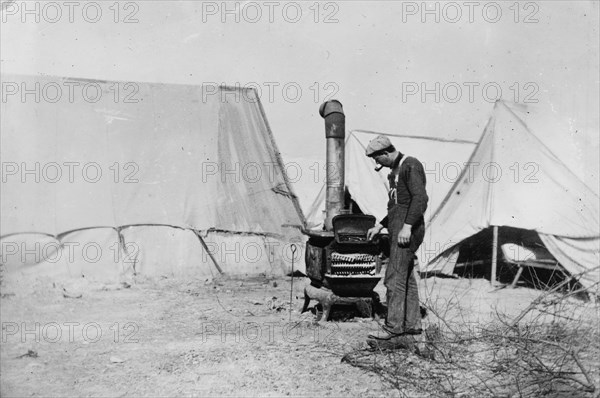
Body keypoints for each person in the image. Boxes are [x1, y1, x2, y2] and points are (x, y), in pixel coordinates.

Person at [364, 135, 428, 345]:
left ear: (385, 153)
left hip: (407, 230)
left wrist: (408, 227)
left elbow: (420, 199)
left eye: (377, 158)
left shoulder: (410, 165)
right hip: (397, 228)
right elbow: (395, 205)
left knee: (393, 278)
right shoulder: (394, 172)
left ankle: (393, 329)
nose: (377, 163)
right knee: (406, 277)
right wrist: (380, 225)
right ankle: (412, 326)